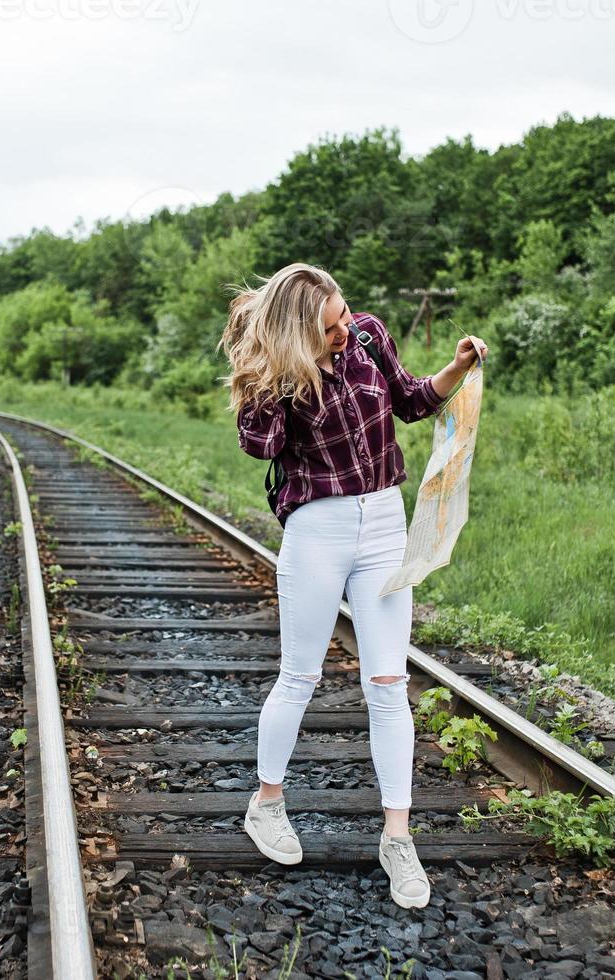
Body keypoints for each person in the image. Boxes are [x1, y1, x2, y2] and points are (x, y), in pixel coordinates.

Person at [216, 262, 487, 909]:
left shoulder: (368, 335)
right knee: (300, 676)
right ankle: (266, 803)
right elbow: (260, 447)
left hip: (384, 524)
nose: (345, 330)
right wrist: (272, 374)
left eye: (344, 317)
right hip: (318, 528)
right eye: (331, 327)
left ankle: (396, 837)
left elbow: (412, 400)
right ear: (300, 333)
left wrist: (453, 369)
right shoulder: (278, 375)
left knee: (387, 682)